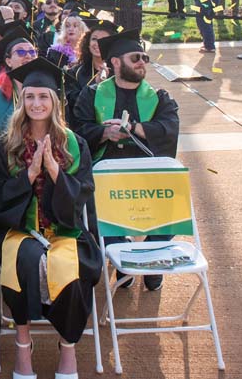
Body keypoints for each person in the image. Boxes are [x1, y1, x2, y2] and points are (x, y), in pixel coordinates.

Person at [0, 59, 101, 379]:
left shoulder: (74, 143)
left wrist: (53, 170)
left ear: (55, 101)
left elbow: (81, 200)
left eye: (43, 97)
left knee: (71, 269)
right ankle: (23, 344)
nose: (36, 104)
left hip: (64, 232)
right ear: (21, 100)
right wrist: (30, 173)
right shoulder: (7, 145)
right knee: (23, 259)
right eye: (30, 96)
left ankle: (67, 348)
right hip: (21, 230)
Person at [71, 31, 179, 291]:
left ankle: (153, 255)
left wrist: (134, 128)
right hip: (104, 171)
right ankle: (123, 257)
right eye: (135, 57)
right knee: (88, 200)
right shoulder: (92, 95)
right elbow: (77, 130)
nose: (142, 62)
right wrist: (104, 132)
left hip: (146, 169)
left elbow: (170, 125)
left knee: (177, 197)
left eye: (144, 57)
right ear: (116, 62)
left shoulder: (159, 97)